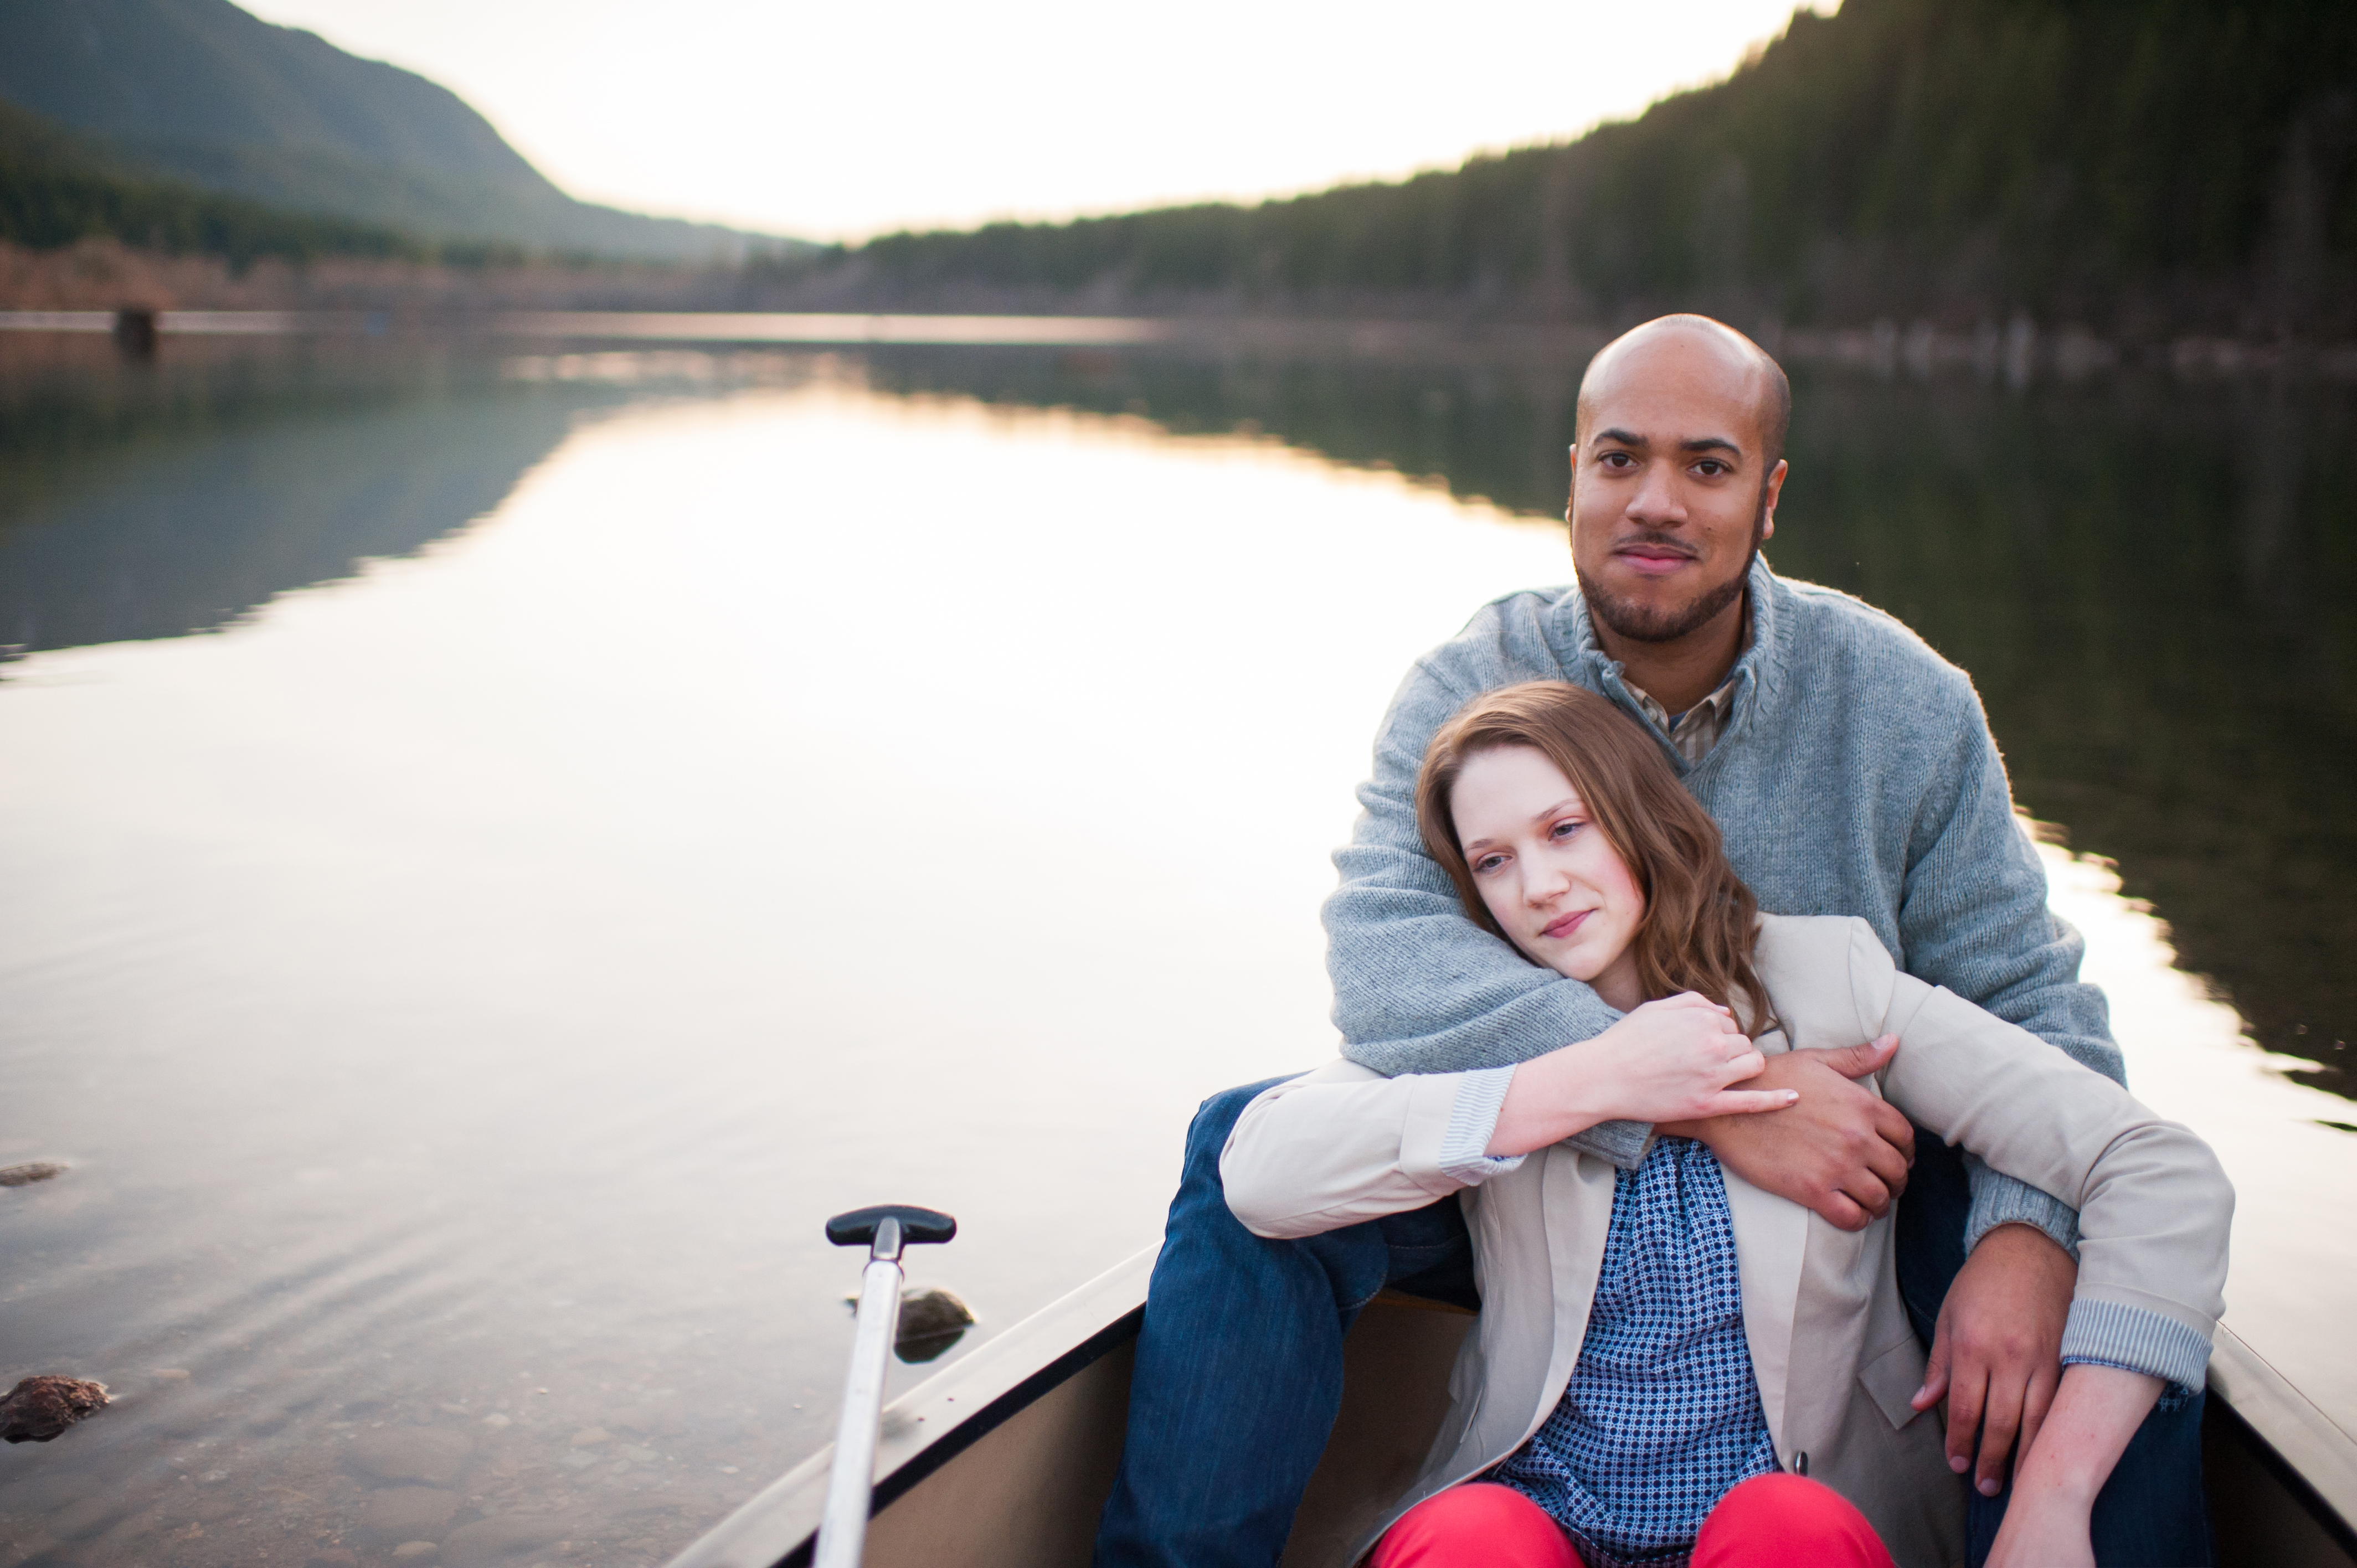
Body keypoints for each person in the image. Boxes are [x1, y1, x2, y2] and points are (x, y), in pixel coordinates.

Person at [1090, 314, 2213, 1568]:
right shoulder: (1472, 681)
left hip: (1842, 1183)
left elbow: (2028, 1002)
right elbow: (1388, 958)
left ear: (1769, 496)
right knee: (1241, 1160)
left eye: (1708, 465)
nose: (1655, 502)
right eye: (1618, 460)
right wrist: (1700, 1097)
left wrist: (2018, 1238)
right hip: (1532, 1182)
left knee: (2078, 1256)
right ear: (1571, 472)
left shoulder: (1901, 703)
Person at [1218, 682, 2231, 1568]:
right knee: (1473, 1542)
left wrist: (2053, 1502)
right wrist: (1604, 1077)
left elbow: (2158, 1170)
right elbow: (1262, 1172)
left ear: (1640, 818)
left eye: (1566, 830)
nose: (1538, 887)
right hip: (1544, 1520)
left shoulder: (1829, 979)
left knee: (1783, 1528)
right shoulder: (1492, 1023)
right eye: (1492, 862)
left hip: (1788, 1527)